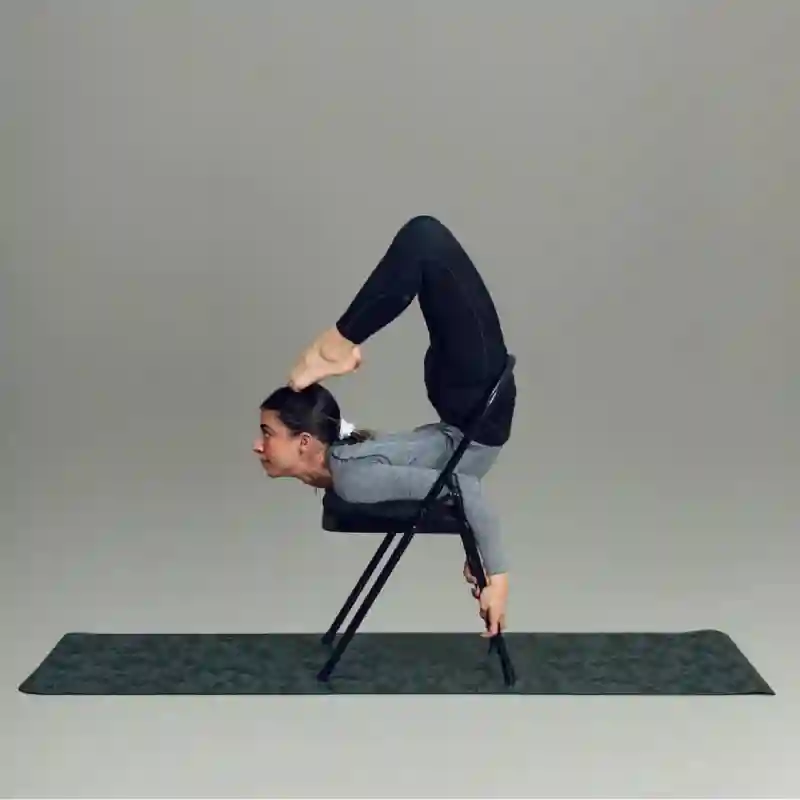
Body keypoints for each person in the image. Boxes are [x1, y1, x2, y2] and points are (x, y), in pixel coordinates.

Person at [253, 215, 516, 636]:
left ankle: (336, 346)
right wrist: (496, 575)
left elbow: (453, 485)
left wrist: (486, 561)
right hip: (473, 406)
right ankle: (335, 346)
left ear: (304, 441)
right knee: (424, 240)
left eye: (267, 433)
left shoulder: (349, 469)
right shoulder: (352, 476)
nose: (257, 445)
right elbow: (462, 489)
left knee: (425, 243)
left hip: (465, 404)